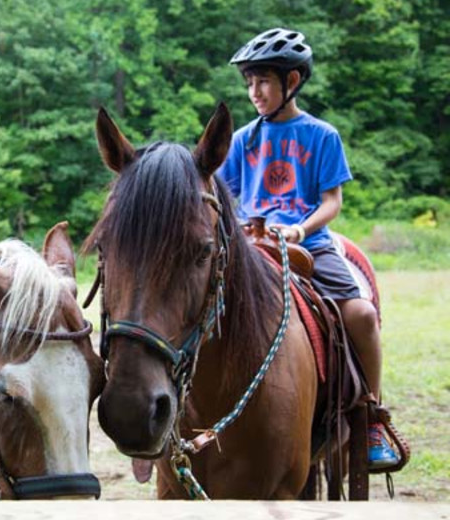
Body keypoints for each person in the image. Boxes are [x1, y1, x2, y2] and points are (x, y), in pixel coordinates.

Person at [217, 28, 400, 470]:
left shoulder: (321, 135)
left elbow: (332, 200)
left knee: (362, 315)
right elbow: (226, 195)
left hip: (310, 247)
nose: (254, 92)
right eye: (248, 83)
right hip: (252, 248)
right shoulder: (242, 140)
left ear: (292, 81)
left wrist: (300, 230)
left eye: (262, 81)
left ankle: (371, 415)